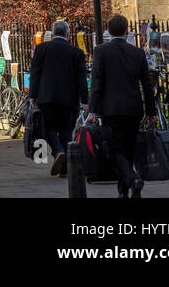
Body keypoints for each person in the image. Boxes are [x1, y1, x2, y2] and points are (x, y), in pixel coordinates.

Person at [89, 14, 156, 198]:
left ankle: (133, 179)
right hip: (133, 109)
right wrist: (152, 112)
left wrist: (93, 110)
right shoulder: (137, 53)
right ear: (127, 30)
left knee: (115, 150)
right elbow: (147, 84)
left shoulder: (101, 51)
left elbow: (97, 82)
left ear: (108, 31)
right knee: (128, 149)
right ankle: (123, 192)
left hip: (111, 109)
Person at [29, 20, 89, 176]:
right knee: (66, 132)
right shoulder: (76, 52)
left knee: (47, 128)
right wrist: (85, 101)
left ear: (53, 33)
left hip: (46, 97)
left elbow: (35, 73)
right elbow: (82, 78)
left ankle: (58, 151)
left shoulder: (42, 48)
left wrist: (32, 95)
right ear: (68, 34)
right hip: (69, 99)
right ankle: (64, 169)